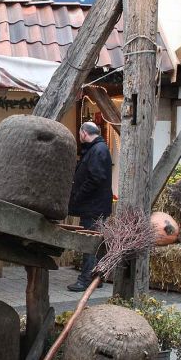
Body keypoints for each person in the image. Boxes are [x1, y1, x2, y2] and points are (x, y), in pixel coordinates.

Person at [67, 121, 113, 292]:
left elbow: (95, 178)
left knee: (90, 243)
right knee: (96, 243)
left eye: (80, 133)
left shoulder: (97, 150)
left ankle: (86, 279)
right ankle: (96, 277)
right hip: (95, 205)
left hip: (93, 206)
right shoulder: (97, 149)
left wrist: (78, 196)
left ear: (84, 133)